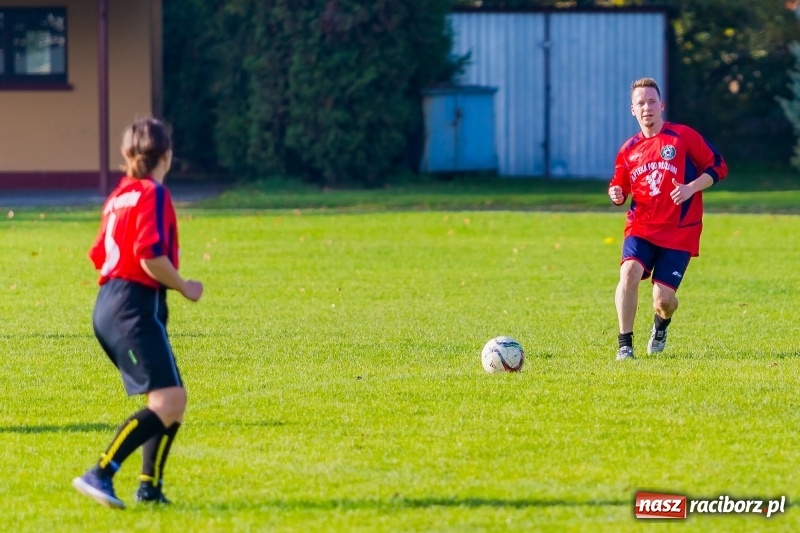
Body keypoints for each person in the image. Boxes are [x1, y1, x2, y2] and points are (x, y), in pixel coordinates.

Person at [73, 117, 204, 508]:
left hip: (112, 302)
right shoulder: (153, 193)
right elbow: (149, 255)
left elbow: (99, 254)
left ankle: (149, 487)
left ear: (126, 154)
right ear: (167, 154)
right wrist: (184, 285)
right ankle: (101, 471)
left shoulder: (118, 196)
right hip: (132, 306)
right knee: (167, 401)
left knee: (171, 400)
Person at [608, 78, 728, 361]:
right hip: (641, 227)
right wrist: (616, 193)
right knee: (628, 273)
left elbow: (719, 166)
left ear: (661, 105)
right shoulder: (629, 150)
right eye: (641, 103)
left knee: (663, 301)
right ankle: (625, 344)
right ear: (633, 110)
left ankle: (661, 325)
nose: (647, 107)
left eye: (651, 101)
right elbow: (620, 187)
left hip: (679, 232)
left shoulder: (682, 136)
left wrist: (690, 188)